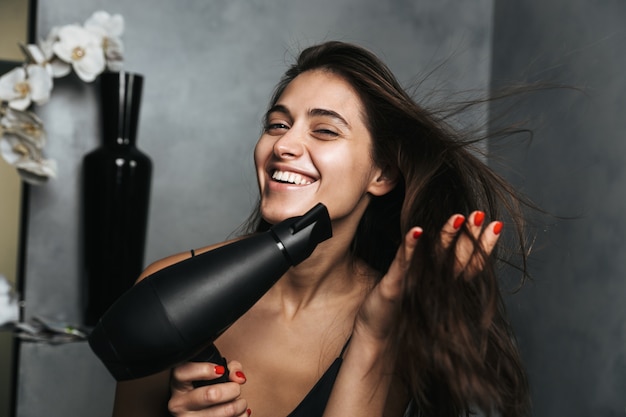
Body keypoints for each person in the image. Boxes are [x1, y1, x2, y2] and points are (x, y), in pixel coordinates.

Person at [112, 41, 531, 417]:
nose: (283, 145)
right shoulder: (165, 287)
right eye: (277, 124)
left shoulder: (392, 320)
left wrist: (372, 336)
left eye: (325, 130)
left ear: (382, 173)